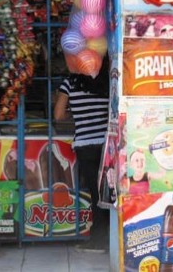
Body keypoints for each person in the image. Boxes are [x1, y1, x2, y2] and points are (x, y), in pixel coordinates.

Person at [54, 57, 110, 252]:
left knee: (95, 194)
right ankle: (111, 237)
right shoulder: (107, 82)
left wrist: (76, 114)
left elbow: (58, 115)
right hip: (106, 145)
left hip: (85, 145)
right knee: (108, 192)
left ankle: (99, 240)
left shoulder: (70, 83)